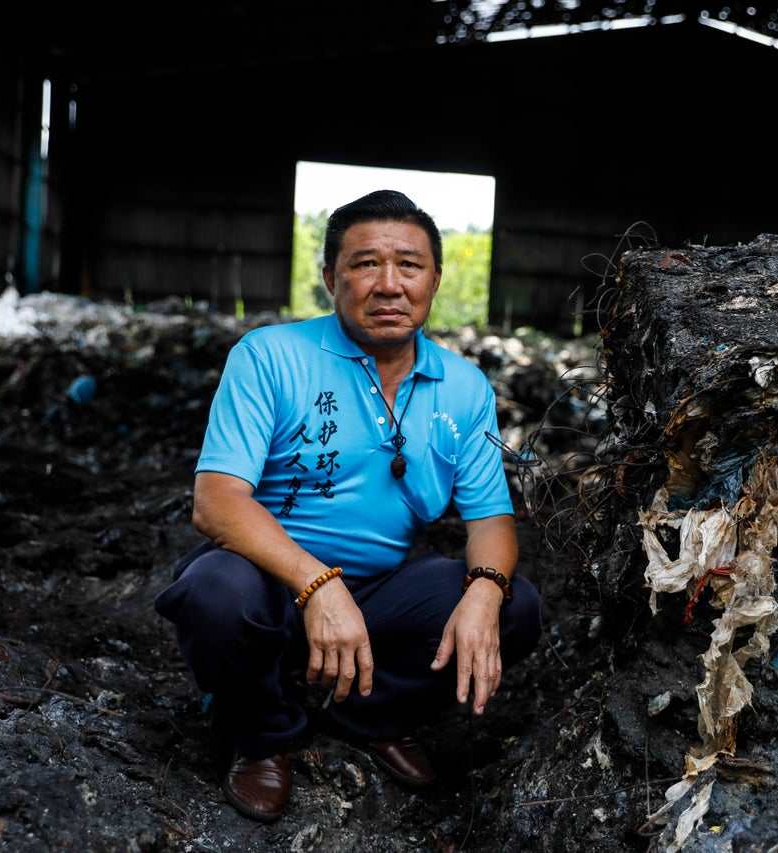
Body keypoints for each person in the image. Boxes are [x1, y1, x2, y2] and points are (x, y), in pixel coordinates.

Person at [154, 189, 541, 823]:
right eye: (366, 264)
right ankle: (264, 733)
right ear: (331, 277)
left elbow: (492, 523)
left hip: (379, 597)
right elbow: (216, 503)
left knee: (514, 605)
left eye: (409, 265)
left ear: (435, 280)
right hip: (271, 582)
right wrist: (317, 585)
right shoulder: (270, 357)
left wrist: (484, 593)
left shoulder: (464, 387)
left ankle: (367, 716)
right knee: (214, 593)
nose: (389, 285)